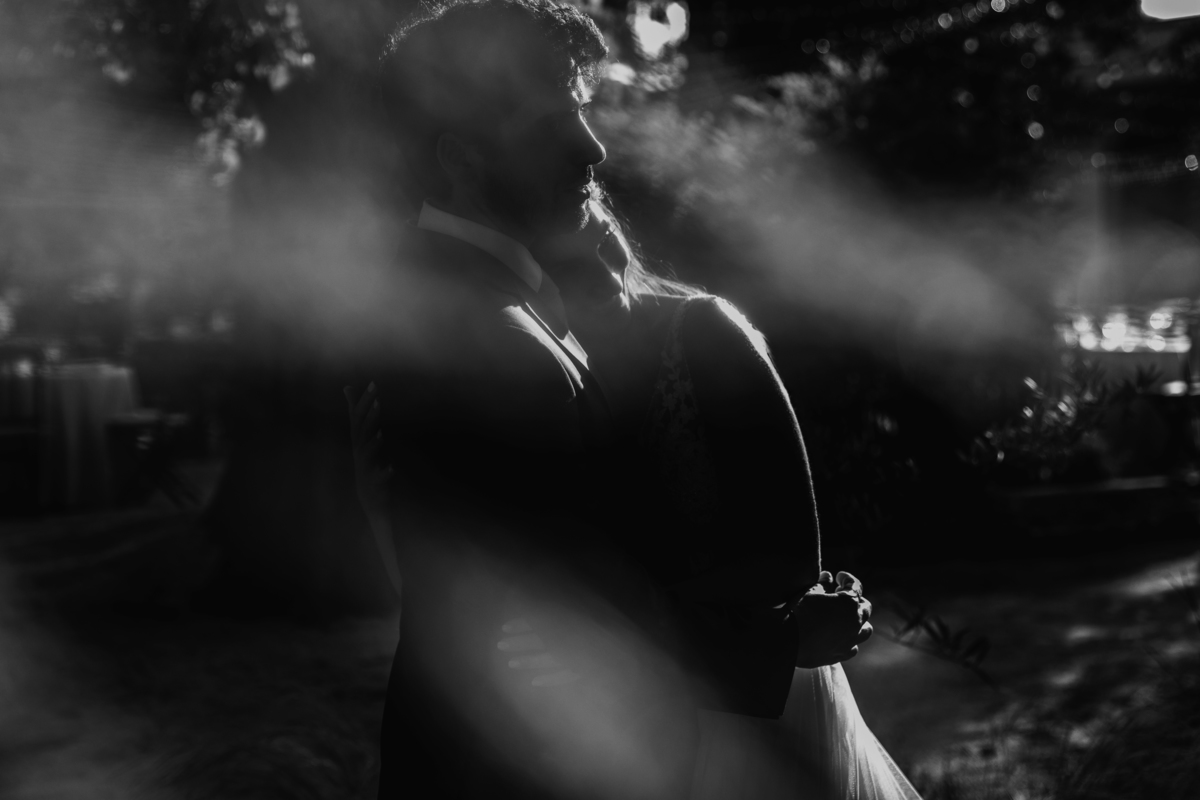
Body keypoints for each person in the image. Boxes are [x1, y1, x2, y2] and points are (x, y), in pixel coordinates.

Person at [356, 2, 878, 798]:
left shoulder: (494, 304)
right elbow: (543, 616)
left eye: (582, 113)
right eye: (550, 125)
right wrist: (779, 645)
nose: (593, 148)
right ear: (460, 158)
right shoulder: (478, 333)